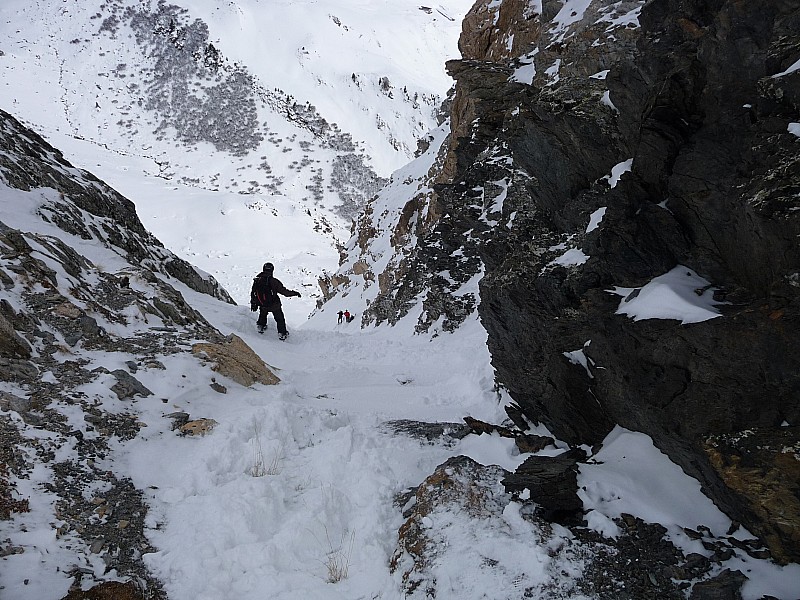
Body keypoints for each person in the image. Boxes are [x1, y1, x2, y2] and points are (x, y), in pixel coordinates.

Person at [250, 262, 301, 340]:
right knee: (280, 319)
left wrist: (254, 303)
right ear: (272, 270)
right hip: (274, 305)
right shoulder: (274, 281)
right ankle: (282, 334)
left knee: (263, 315)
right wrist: (295, 293)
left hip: (263, 304)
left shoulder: (257, 280)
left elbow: (253, 293)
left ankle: (261, 326)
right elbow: (285, 292)